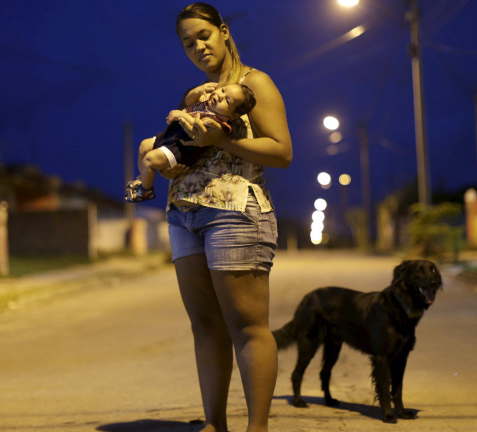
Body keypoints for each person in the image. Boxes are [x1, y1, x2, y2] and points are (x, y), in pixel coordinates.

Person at [152, 3, 292, 432]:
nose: (197, 47)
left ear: (224, 32)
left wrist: (224, 141)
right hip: (184, 215)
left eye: (204, 36)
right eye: (187, 43)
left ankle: (257, 428)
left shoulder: (253, 83)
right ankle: (214, 424)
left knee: (247, 327)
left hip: (234, 212)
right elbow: (181, 149)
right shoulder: (196, 95)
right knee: (205, 327)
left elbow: (281, 151)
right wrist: (169, 165)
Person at [124, 83, 256, 202]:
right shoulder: (206, 103)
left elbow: (200, 127)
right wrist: (198, 91)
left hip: (180, 148)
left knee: (149, 160)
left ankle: (146, 191)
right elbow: (188, 101)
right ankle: (143, 180)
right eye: (222, 90)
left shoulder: (219, 121)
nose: (220, 96)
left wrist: (182, 115)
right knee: (144, 145)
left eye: (227, 100)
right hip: (171, 135)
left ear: (233, 115)